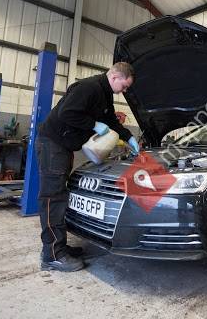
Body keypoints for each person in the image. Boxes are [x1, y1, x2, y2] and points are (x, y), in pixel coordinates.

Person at [36, 62, 140, 272]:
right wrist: (93, 125)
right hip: (52, 144)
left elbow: (111, 120)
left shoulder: (104, 93)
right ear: (115, 77)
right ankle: (52, 255)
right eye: (124, 86)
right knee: (53, 197)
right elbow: (67, 112)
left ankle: (58, 246)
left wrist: (129, 137)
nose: (124, 91)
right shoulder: (88, 87)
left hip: (63, 146)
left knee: (60, 195)